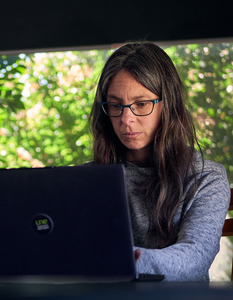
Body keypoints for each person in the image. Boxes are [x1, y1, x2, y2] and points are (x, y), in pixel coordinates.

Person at [89, 42, 230, 281]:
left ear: (169, 106)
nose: (126, 119)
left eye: (141, 104)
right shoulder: (86, 180)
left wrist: (123, 261)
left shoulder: (207, 178)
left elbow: (194, 259)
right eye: (115, 105)